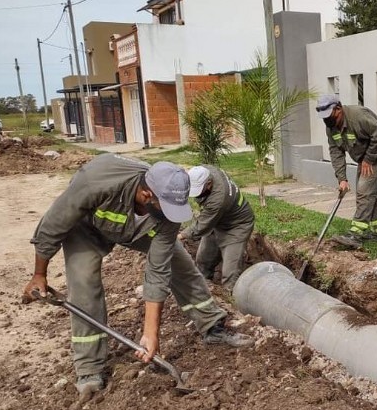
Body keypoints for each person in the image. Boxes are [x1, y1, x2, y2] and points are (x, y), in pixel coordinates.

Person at [23, 154, 253, 397]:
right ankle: (89, 368)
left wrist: (150, 333)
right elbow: (53, 225)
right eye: (168, 208)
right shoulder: (97, 180)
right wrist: (40, 274)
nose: (173, 214)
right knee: (84, 284)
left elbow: (158, 271)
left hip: (138, 229)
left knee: (181, 264)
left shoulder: (167, 208)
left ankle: (212, 326)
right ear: (147, 195)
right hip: (87, 228)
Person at [316, 94, 377, 248]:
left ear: (338, 108)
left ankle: (356, 234)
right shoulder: (331, 127)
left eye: (329, 116)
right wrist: (342, 179)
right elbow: (336, 151)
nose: (327, 121)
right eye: (324, 118)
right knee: (366, 192)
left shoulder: (358, 116)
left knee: (364, 190)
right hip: (364, 156)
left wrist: (369, 159)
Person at [178, 165, 255, 292]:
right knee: (203, 260)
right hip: (217, 221)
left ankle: (231, 300)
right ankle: (202, 290)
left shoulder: (218, 199)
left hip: (237, 226)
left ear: (209, 184)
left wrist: (180, 236)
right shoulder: (208, 170)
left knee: (230, 273)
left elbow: (201, 226)